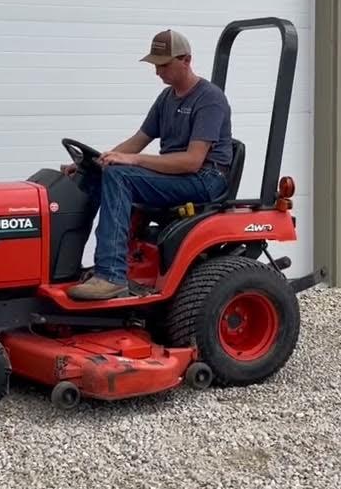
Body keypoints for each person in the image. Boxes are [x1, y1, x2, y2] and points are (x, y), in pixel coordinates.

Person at [64, 29, 234, 301]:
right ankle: (67, 268)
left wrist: (132, 160)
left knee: (120, 176)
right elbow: (138, 140)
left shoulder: (209, 99)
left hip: (205, 178)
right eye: (155, 65)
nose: (157, 72)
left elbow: (192, 161)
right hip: (177, 175)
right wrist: (94, 163)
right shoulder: (167, 98)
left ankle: (111, 275)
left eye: (164, 65)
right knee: (97, 175)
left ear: (186, 60)